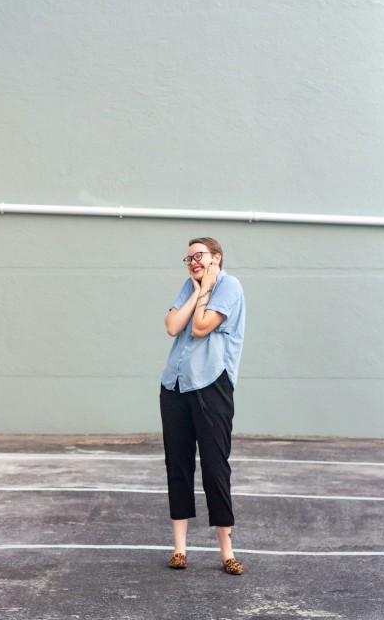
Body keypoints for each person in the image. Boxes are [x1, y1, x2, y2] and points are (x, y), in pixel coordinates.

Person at [160, 236, 246, 575]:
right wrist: (197, 290)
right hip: (174, 385)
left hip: (211, 385)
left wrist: (208, 288)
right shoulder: (190, 285)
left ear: (217, 258)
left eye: (200, 256)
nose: (193, 262)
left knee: (214, 467)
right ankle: (179, 549)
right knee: (178, 466)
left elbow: (198, 327)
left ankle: (227, 551)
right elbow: (171, 326)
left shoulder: (230, 286)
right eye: (189, 258)